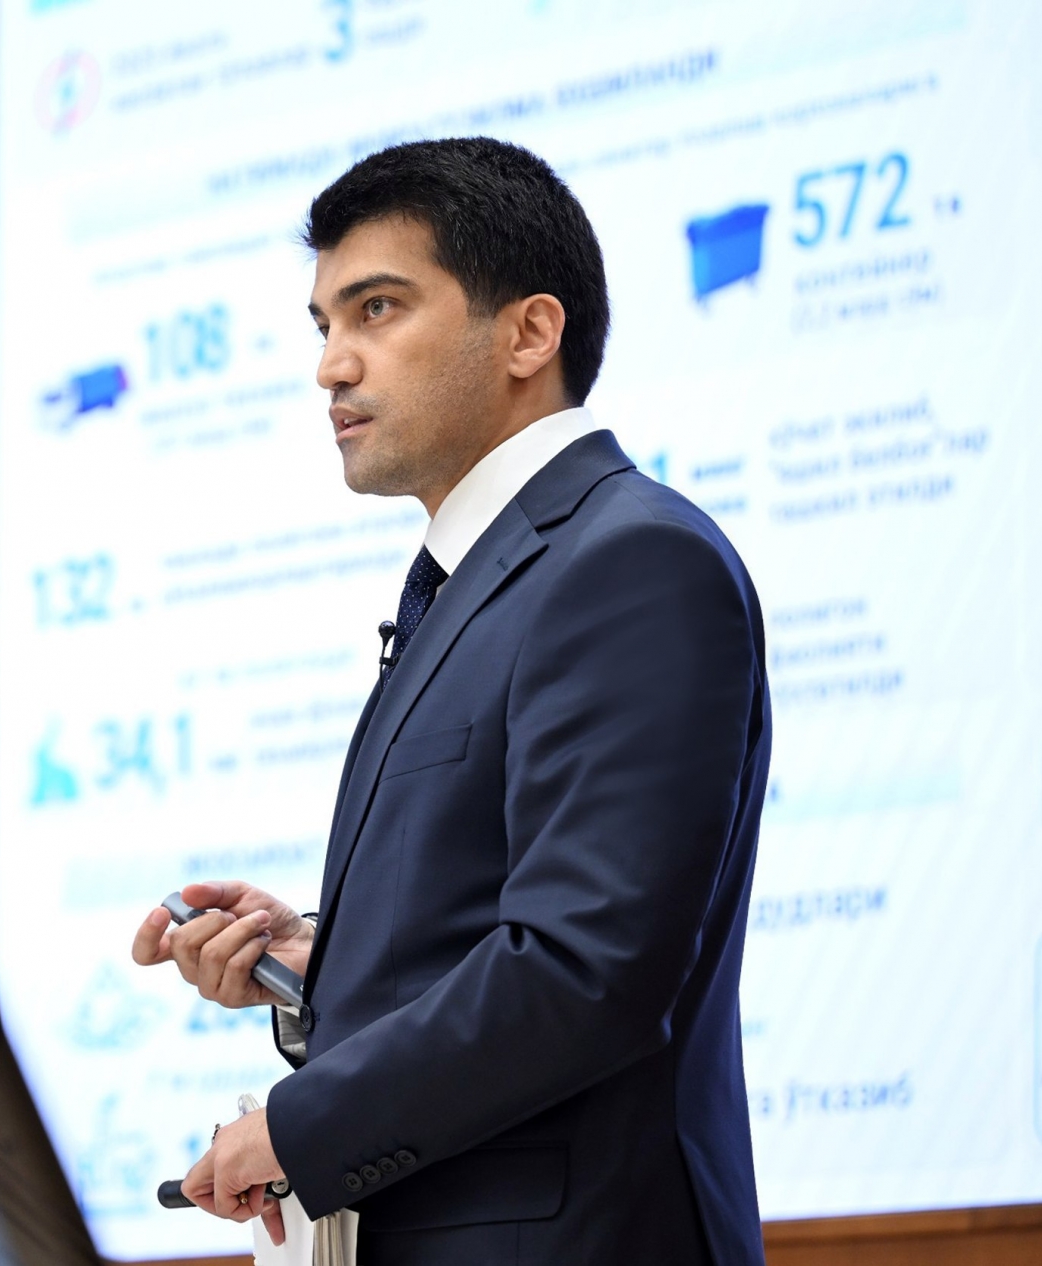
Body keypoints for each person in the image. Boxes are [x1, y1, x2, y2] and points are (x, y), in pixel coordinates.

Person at [131, 138, 769, 1264]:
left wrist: (301, 1129)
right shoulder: (476, 581)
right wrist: (322, 965)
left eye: (376, 310)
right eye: (323, 326)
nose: (332, 366)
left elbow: (588, 970)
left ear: (529, 333)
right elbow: (508, 931)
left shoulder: (629, 560)